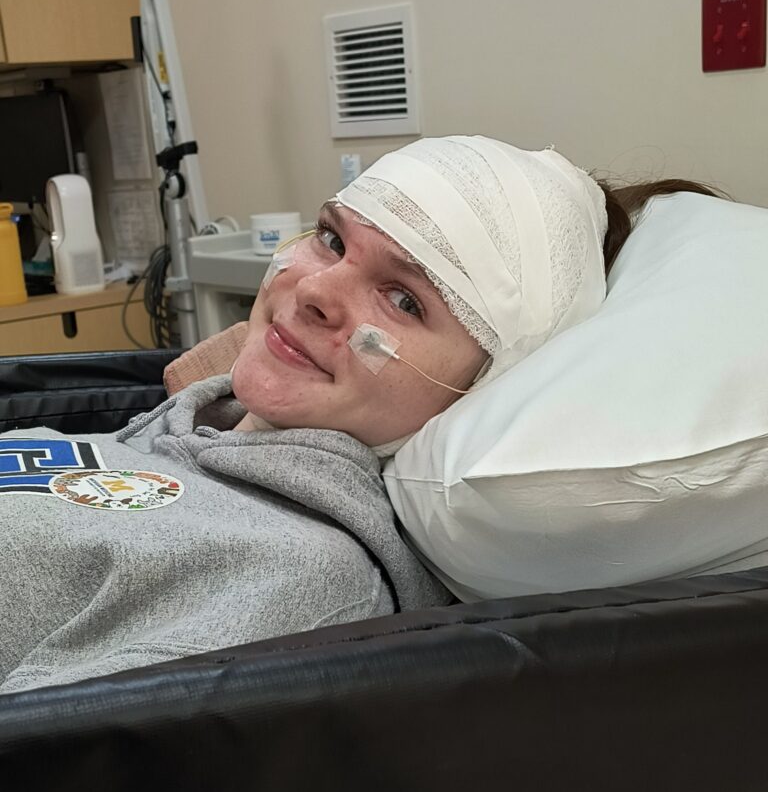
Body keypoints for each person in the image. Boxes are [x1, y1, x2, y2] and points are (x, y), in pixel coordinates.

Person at [0, 136, 717, 694]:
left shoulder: (297, 579)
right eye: (333, 238)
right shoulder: (194, 419)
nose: (315, 288)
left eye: (404, 299)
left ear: (485, 387)